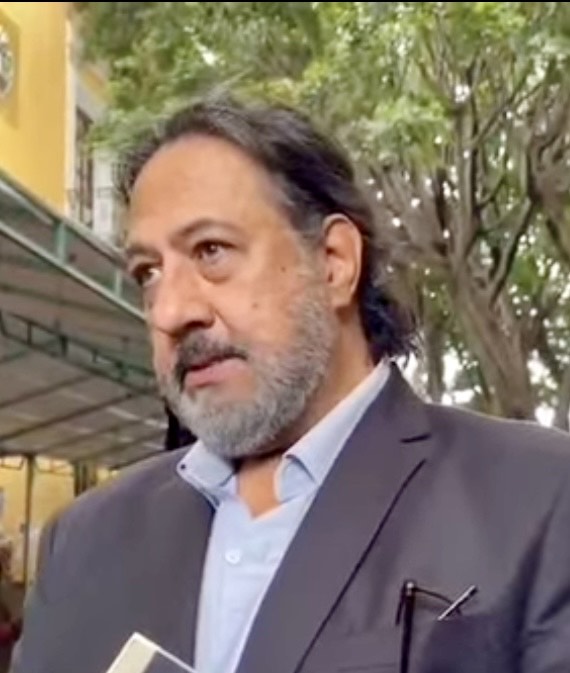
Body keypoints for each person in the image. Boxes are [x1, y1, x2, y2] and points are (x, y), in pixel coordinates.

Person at [10, 94, 570, 673]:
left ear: (334, 261)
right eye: (148, 273)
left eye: (211, 251)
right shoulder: (81, 542)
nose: (171, 311)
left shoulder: (540, 498)